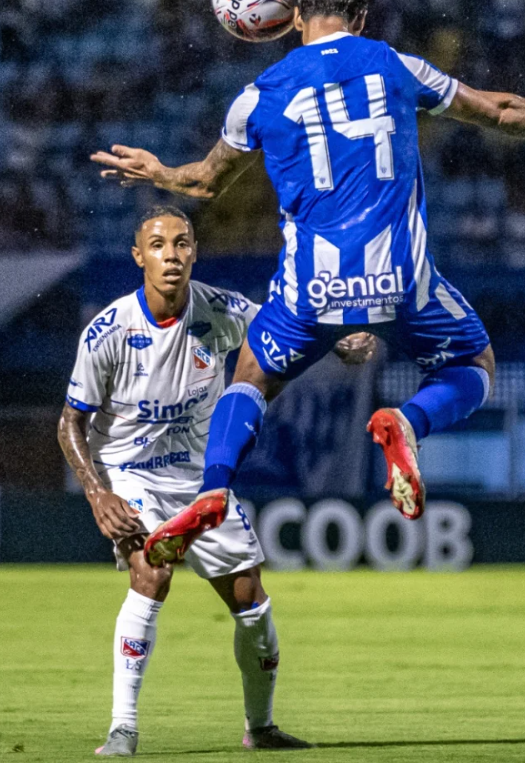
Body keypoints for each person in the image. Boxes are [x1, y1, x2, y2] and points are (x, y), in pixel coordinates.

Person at [91, 0, 525, 565]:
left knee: (249, 380)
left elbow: (207, 182)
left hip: (309, 292)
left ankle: (215, 486)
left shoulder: (258, 96)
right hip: (399, 281)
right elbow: (501, 111)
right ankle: (407, 421)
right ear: (363, 15)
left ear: (294, 16)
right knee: (475, 363)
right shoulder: (395, 65)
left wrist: (161, 171)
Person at [56, 206, 373, 757]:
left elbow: (284, 332)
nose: (171, 255)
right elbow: (69, 422)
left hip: (199, 481)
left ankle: (262, 728)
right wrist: (96, 490)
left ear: (195, 252)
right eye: (158, 245)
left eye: (182, 244)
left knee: (252, 604)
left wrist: (339, 341)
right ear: (139, 257)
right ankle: (122, 728)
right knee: (151, 572)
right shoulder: (107, 331)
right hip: (128, 474)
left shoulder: (220, 310)